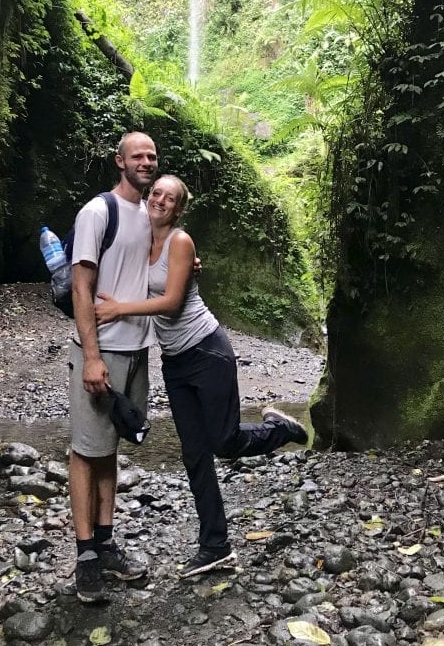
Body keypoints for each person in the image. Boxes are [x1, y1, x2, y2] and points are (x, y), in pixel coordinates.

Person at [95, 174, 308, 578]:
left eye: (169, 198)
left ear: (179, 209)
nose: (159, 200)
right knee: (194, 454)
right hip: (175, 362)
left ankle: (279, 431)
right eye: (156, 192)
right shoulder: (139, 233)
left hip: (207, 350)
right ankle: (215, 546)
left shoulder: (179, 241)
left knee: (224, 442)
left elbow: (173, 304)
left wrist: (120, 309)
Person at [68, 131, 157, 603]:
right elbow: (82, 287)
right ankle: (85, 557)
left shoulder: (150, 213)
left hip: (139, 350)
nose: (146, 161)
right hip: (103, 350)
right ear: (118, 161)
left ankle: (105, 544)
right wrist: (91, 356)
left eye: (152, 156)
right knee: (86, 449)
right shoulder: (98, 212)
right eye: (137, 155)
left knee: (109, 449)